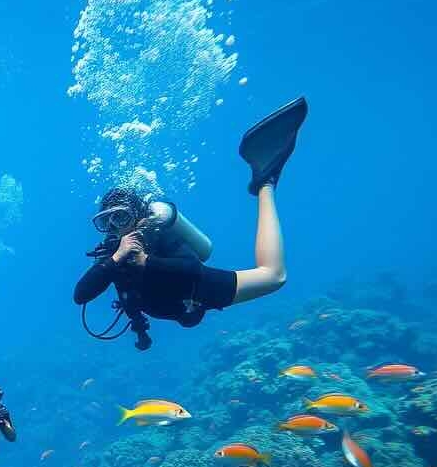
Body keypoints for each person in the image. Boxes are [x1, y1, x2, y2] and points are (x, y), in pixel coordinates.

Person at [74, 97, 308, 350]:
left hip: (198, 292)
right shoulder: (112, 255)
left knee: (274, 276)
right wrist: (117, 259)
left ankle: (265, 182)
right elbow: (81, 295)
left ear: (139, 216)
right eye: (107, 221)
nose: (116, 226)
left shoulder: (156, 234)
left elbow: (192, 268)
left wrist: (145, 261)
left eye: (120, 216)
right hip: (177, 310)